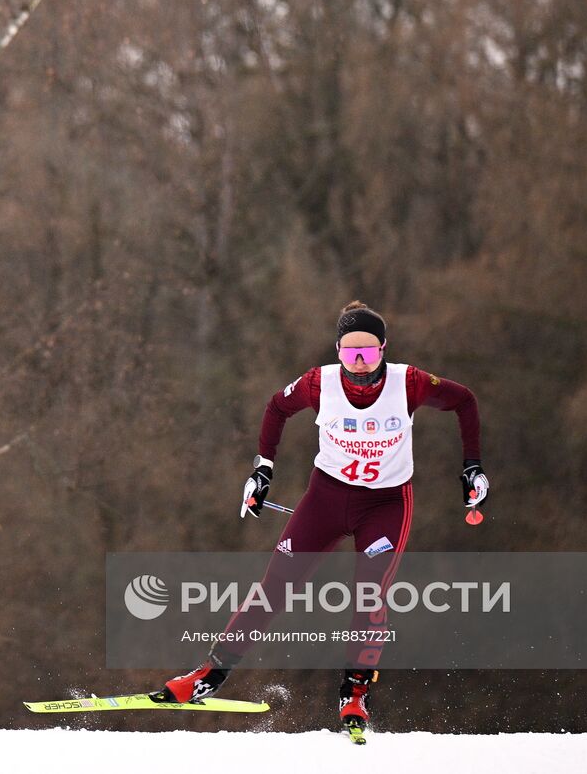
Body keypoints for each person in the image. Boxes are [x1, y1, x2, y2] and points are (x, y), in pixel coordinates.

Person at [155, 301, 489, 741]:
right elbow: (276, 408)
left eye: (368, 353)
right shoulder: (319, 383)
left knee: (369, 597)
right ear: (337, 351)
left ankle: (354, 693)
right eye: (349, 353)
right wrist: (262, 471)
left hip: (386, 505)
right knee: (274, 588)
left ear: (384, 349)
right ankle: (209, 675)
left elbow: (464, 401)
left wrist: (472, 467)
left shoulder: (408, 382)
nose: (359, 363)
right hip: (326, 500)